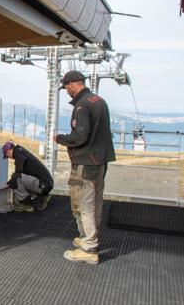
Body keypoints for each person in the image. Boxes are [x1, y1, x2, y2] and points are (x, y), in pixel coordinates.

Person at [55, 70, 115, 265]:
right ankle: (91, 239)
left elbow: (80, 136)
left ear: (72, 83)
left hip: (85, 163)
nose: (66, 92)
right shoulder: (99, 101)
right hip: (100, 161)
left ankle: (89, 248)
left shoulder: (81, 106)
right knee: (96, 202)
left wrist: (60, 139)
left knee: (84, 205)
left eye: (66, 87)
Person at [2, 142, 53, 212]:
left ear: (8, 151)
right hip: (46, 184)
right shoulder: (21, 151)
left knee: (15, 178)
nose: (9, 158)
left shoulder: (18, 154)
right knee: (17, 179)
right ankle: (42, 197)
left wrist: (11, 183)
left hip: (43, 185)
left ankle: (25, 204)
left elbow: (18, 173)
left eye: (7, 156)